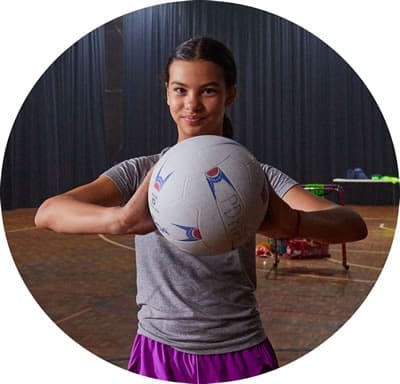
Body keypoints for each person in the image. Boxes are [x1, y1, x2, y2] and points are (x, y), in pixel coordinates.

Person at [35, 36, 368, 383]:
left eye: (208, 90)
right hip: (158, 351)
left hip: (241, 350)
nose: (191, 104)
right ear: (167, 93)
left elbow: (352, 225)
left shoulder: (255, 177)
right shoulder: (140, 172)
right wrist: (120, 219)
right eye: (180, 90)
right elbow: (49, 212)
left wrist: (295, 222)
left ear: (230, 95)